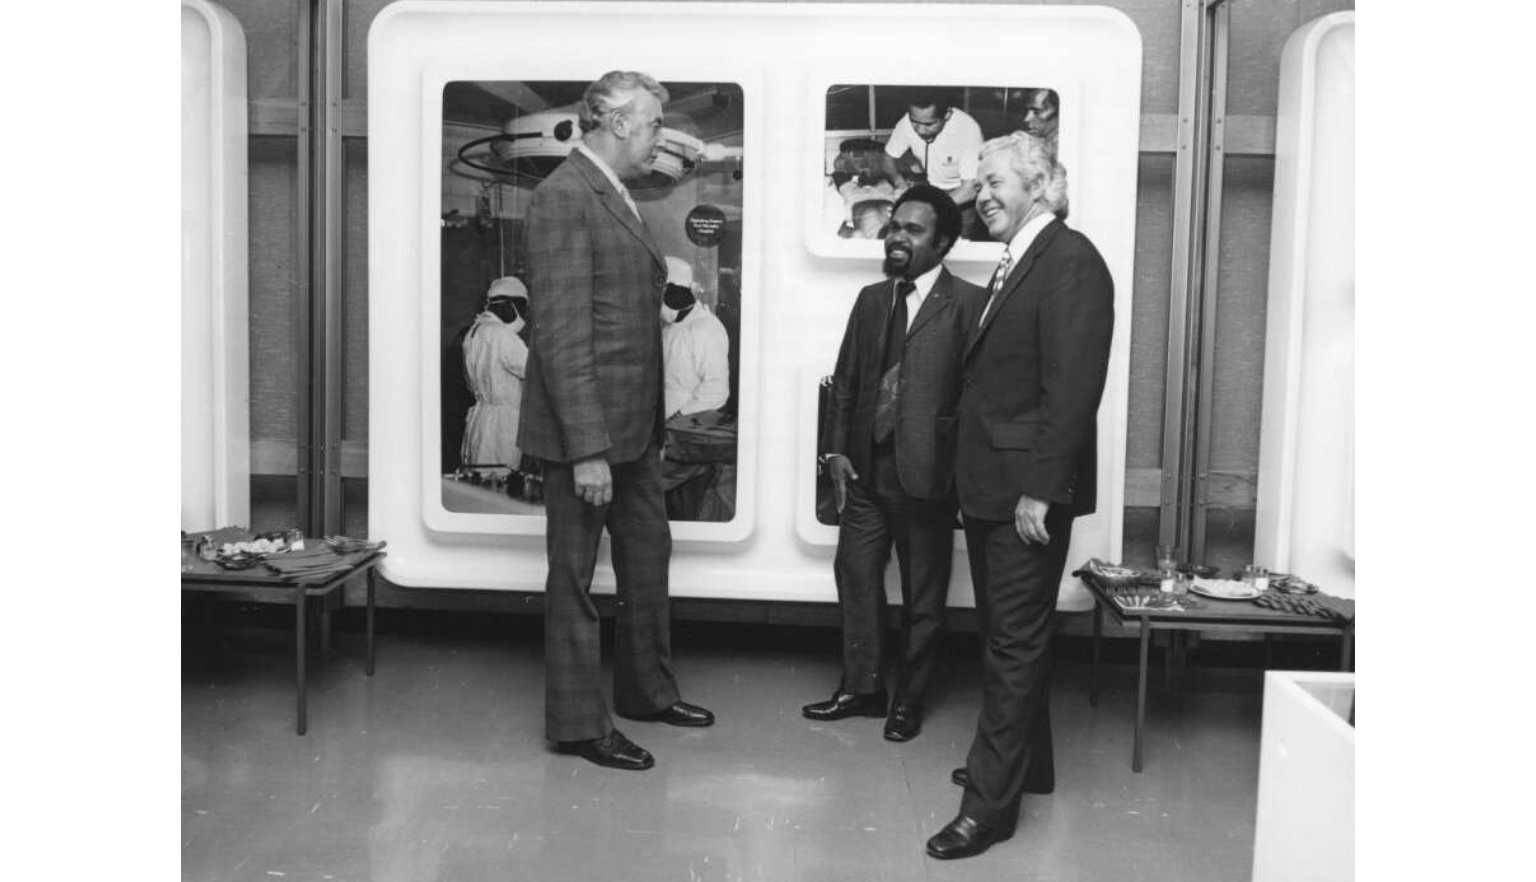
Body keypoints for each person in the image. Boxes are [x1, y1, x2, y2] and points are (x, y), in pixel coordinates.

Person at [518, 70, 715, 773]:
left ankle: (646, 693)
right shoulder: (565, 196)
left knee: (647, 559)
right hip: (589, 439)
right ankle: (576, 726)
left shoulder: (616, 194)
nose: (662, 135)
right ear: (617, 120)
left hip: (633, 433)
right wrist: (588, 452)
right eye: (656, 122)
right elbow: (564, 338)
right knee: (572, 580)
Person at [925, 132, 1114, 860]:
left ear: (1040, 184)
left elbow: (1072, 390)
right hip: (994, 484)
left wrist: (1041, 490)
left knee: (1011, 641)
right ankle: (1026, 768)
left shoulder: (1070, 262)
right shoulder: (1026, 258)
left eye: (996, 179)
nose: (982, 193)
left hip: (1023, 493)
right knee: (1013, 631)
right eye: (980, 182)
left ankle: (988, 808)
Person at [803, 185, 985, 742]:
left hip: (925, 477)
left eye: (913, 230)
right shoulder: (872, 300)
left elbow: (976, 398)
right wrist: (835, 451)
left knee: (923, 595)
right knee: (855, 576)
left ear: (945, 242)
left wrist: (958, 472)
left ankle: (910, 699)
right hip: (863, 471)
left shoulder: (971, 305)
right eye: (895, 227)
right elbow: (848, 382)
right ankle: (862, 688)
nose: (897, 237)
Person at [879, 88, 983, 237]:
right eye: (915, 122)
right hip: (931, 188)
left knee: (959, 248)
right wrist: (900, 184)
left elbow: (970, 189)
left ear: (947, 115)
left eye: (929, 124)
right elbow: (887, 158)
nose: (920, 130)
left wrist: (928, 207)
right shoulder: (906, 123)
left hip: (962, 195)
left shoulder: (968, 129)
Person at [460, 277, 530, 476]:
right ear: (513, 305)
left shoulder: (475, 331)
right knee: (499, 487)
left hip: (479, 421)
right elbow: (534, 371)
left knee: (479, 485)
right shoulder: (502, 336)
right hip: (502, 426)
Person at [660, 256, 730, 420]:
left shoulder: (707, 329)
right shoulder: (670, 328)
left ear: (671, 291)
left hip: (686, 424)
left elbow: (716, 390)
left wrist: (680, 416)